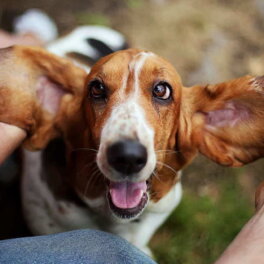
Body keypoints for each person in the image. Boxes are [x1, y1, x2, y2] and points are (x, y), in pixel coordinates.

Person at [1, 25, 264, 264]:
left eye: (161, 92)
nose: (128, 151)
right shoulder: (42, 207)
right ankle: (32, 34)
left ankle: (33, 32)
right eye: (98, 92)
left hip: (102, 39)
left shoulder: (191, 125)